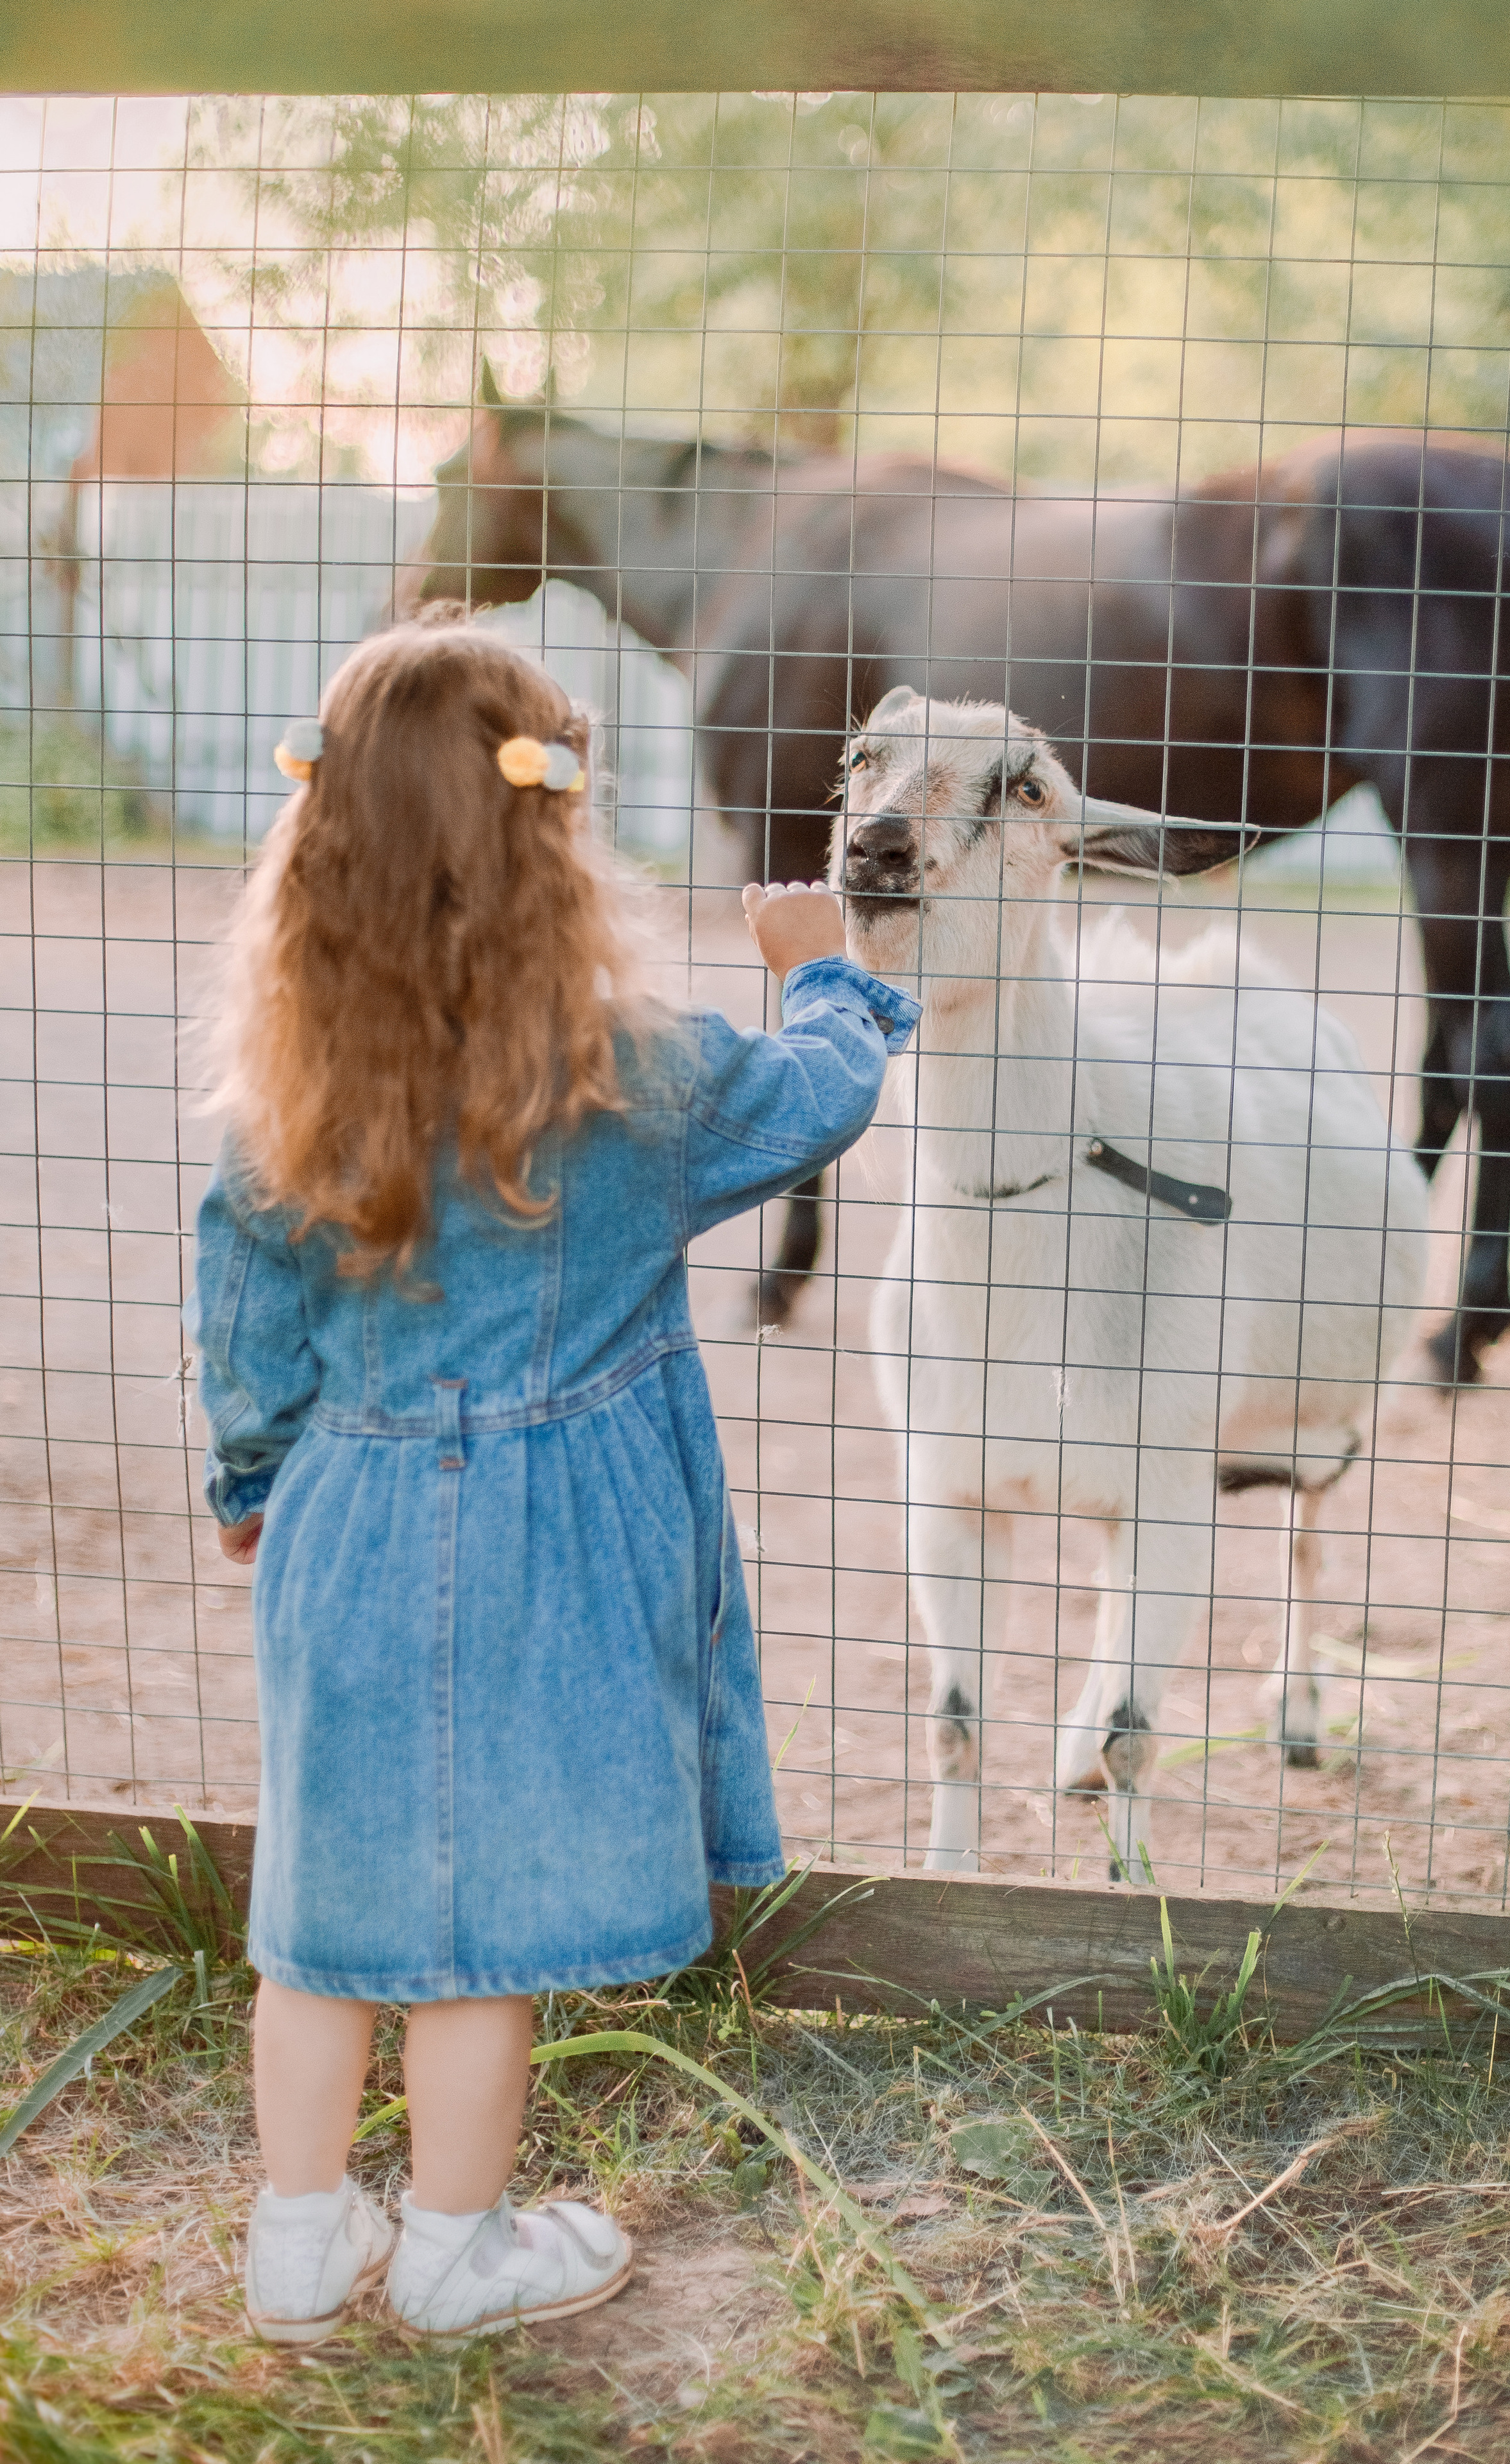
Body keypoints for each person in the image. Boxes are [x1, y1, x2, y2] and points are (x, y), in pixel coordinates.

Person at [185, 612, 919, 2345]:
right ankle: (458, 2246)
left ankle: (300, 2243)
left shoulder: (290, 1089)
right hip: (555, 1541)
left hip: (348, 1522)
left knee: (320, 1899)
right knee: (485, 1926)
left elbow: (247, 1314)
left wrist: (252, 1478)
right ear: (551, 835)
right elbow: (815, 1101)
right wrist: (826, 970)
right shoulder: (631, 1076)